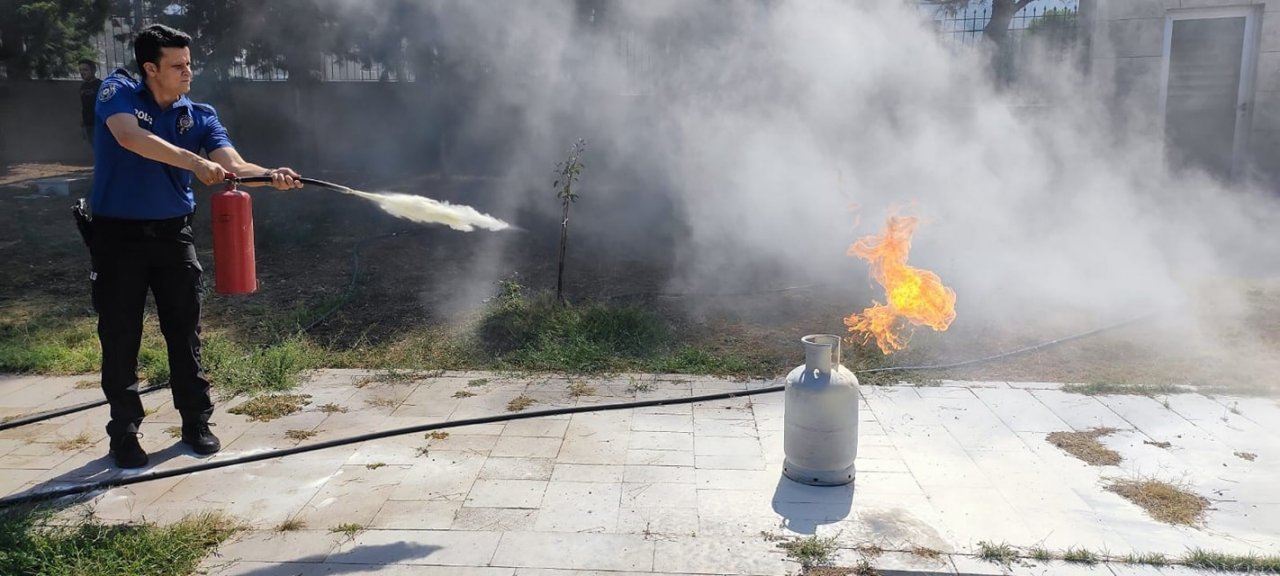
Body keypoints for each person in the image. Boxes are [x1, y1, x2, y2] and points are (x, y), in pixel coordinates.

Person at [90, 23, 303, 468]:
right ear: (150, 68)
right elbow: (130, 138)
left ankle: (196, 423)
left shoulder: (200, 115)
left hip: (173, 237)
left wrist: (272, 176)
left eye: (189, 63)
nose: (188, 72)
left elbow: (234, 165)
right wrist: (193, 162)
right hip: (118, 239)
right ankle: (124, 433)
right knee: (120, 336)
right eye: (178, 65)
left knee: (185, 333)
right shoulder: (118, 92)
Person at [79, 59, 102, 143]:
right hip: (88, 124)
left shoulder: (101, 85)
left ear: (93, 70)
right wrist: (82, 123)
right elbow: (83, 105)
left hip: (99, 124)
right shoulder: (83, 87)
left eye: (85, 70)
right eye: (80, 70)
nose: (82, 72)